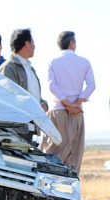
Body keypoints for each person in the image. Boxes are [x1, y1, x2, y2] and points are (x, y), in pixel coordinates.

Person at [38, 31, 96, 174]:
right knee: (74, 154)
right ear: (72, 43)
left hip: (57, 110)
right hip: (76, 112)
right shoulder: (84, 62)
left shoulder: (53, 61)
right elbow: (91, 86)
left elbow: (52, 86)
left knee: (51, 150)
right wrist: (76, 103)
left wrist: (66, 103)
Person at [0, 28, 48, 143]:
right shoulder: (8, 68)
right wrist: (34, 106)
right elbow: (9, 99)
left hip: (28, 128)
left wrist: (44, 105)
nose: (34, 46)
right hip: (14, 130)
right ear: (26, 44)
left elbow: (34, 96)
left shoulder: (30, 69)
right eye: (33, 43)